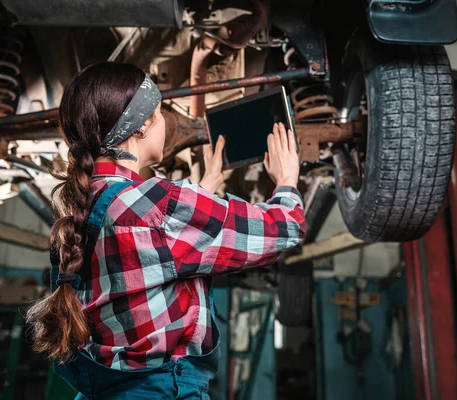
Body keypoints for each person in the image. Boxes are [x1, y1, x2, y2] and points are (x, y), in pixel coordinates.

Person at [27, 62, 307, 399]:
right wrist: (287, 179)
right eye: (160, 113)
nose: (163, 122)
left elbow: (147, 255)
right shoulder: (161, 204)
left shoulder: (75, 215)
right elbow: (284, 228)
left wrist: (201, 190)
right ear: (143, 124)